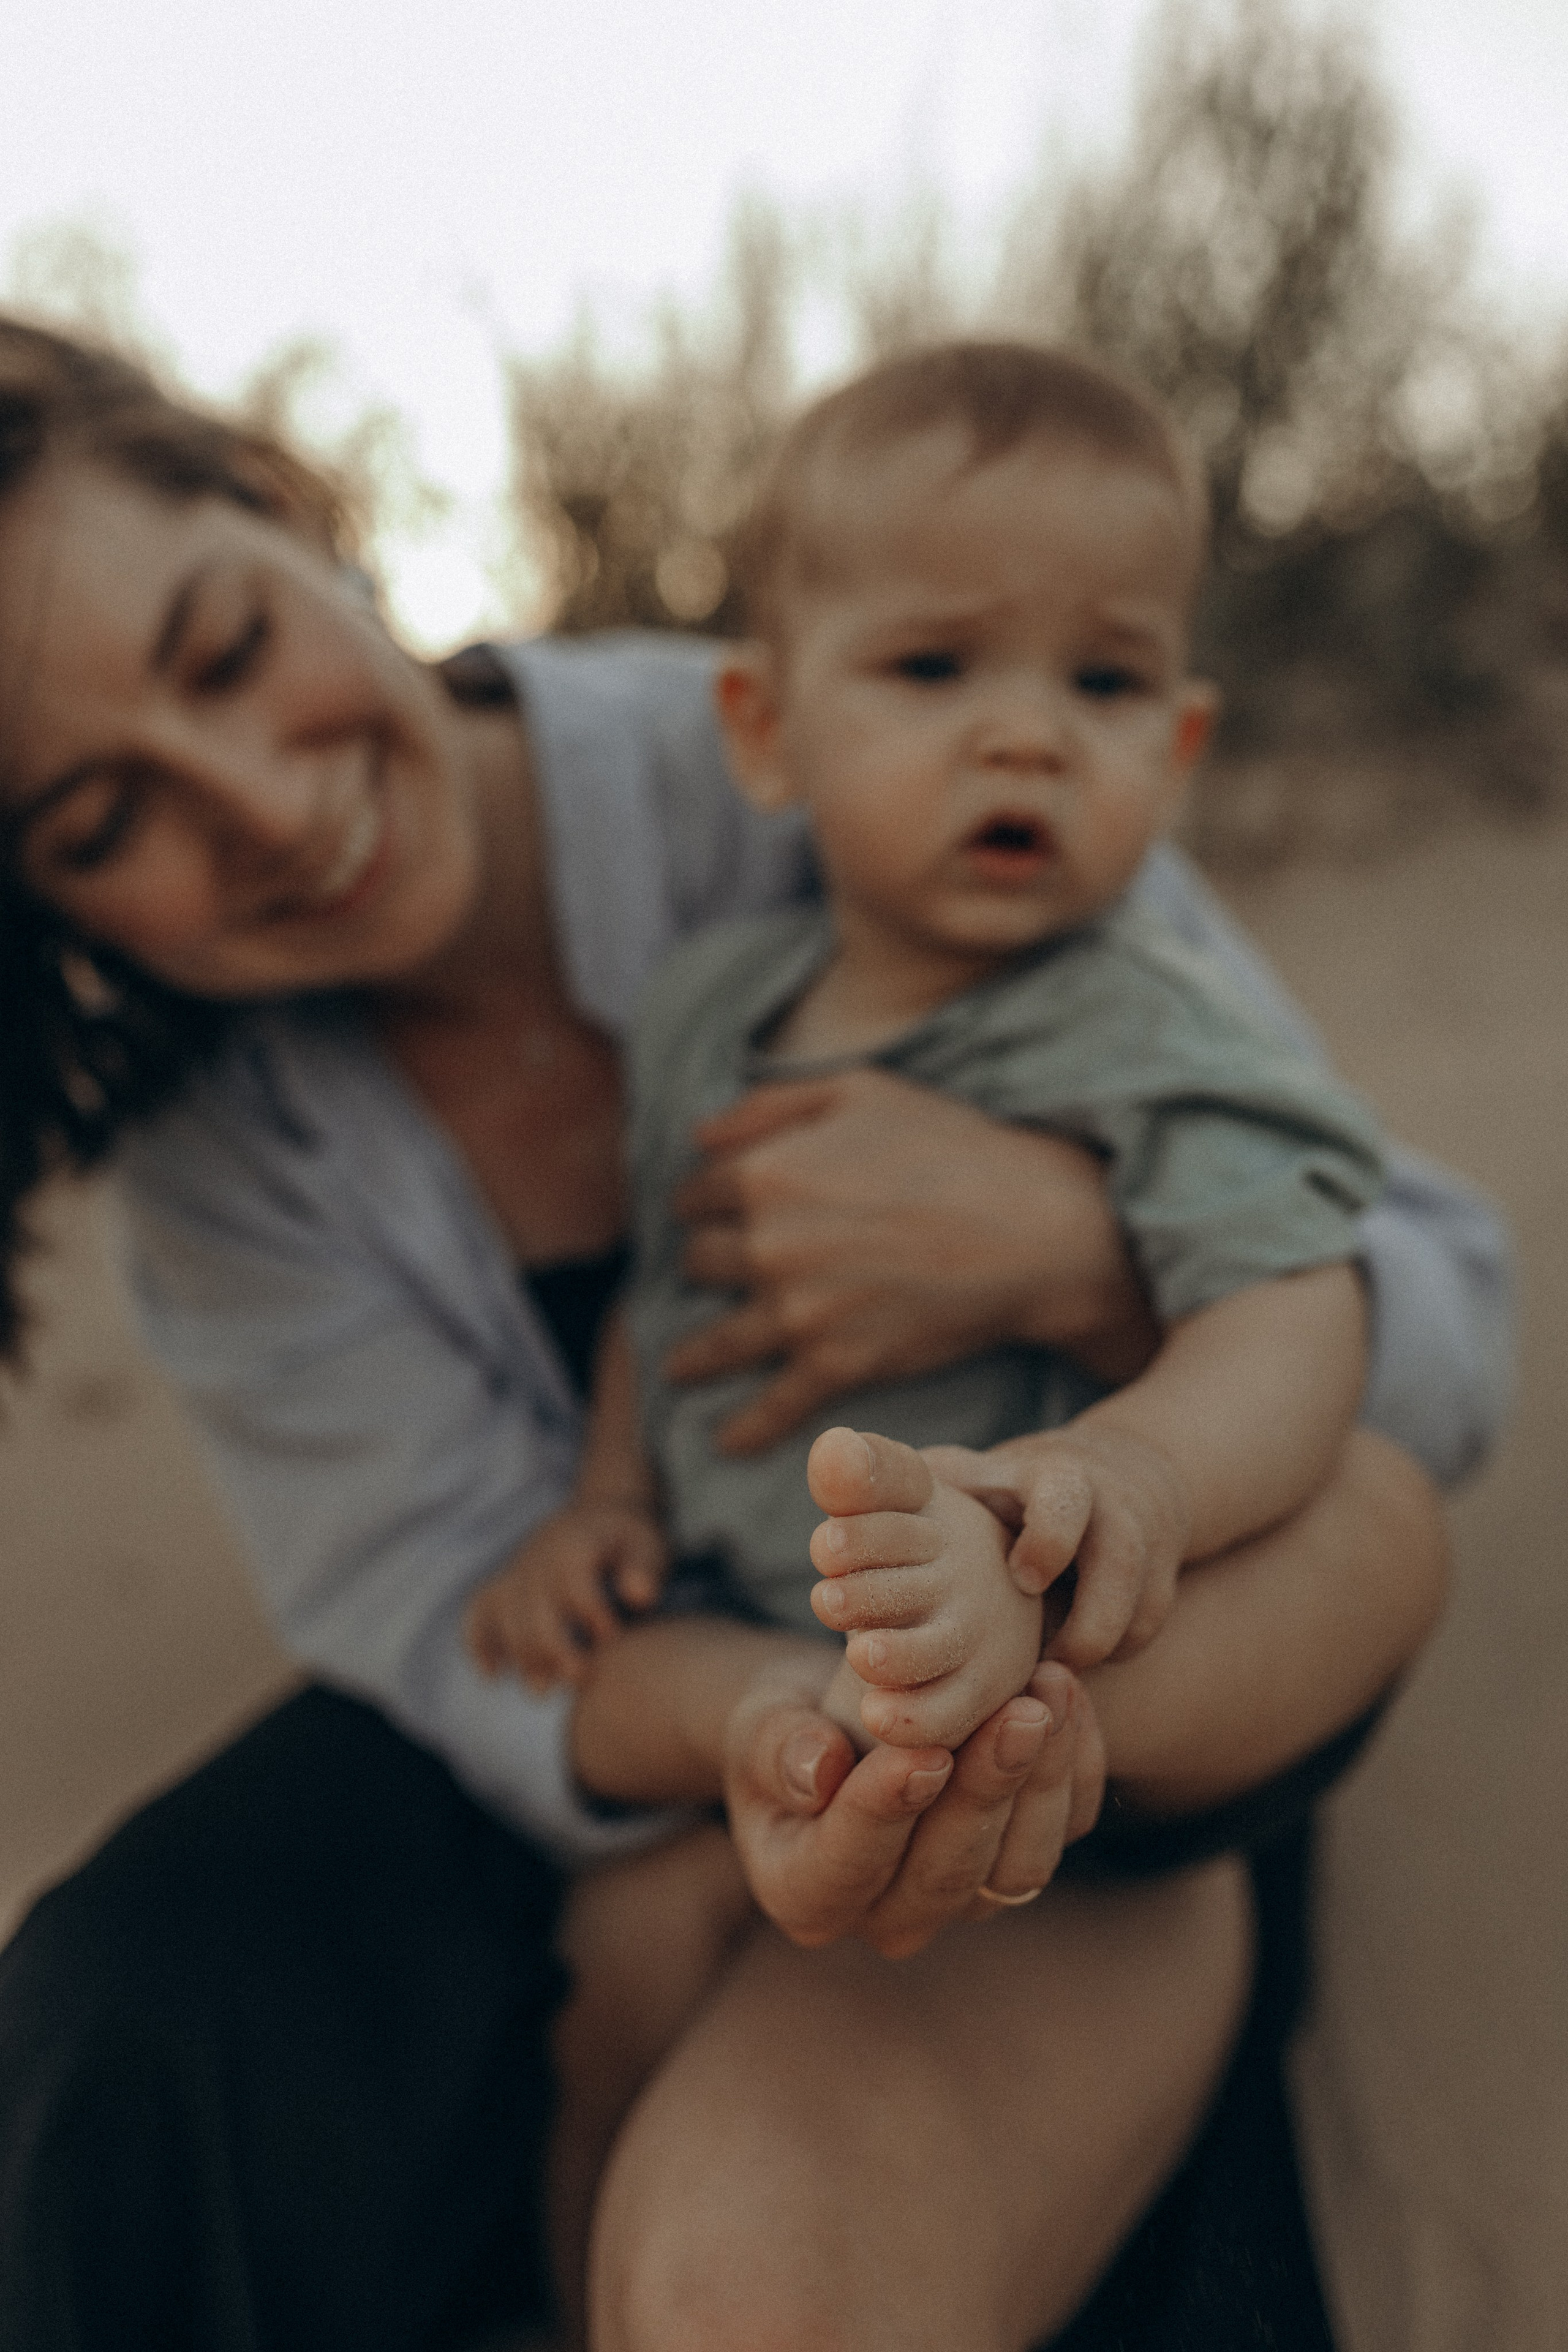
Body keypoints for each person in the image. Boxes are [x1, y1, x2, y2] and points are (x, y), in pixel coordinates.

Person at [0, 314, 1499, 2352]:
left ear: (286, 517)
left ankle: (998, 1757)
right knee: (111, 2034)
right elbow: (471, 1606)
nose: (256, 802)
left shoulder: (923, 720)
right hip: (713, 1675)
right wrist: (730, 1685)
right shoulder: (274, 1149)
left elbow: (1410, 1326)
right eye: (102, 823)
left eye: (227, 648)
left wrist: (1076, 1269)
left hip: (1103, 1666)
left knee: (1364, 1529)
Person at [466, 346, 1384, 1789]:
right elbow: (664, 1294)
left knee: (1339, 1568)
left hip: (1042, 1636)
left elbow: (1293, 1308)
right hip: (740, 1619)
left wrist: (1135, 1469)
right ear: (766, 735)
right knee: (611, 1773)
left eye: (1103, 680)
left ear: (1178, 746)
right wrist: (604, 1501)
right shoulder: (705, 1010)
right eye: (930, 665)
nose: (1025, 736)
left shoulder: (1139, 1022)